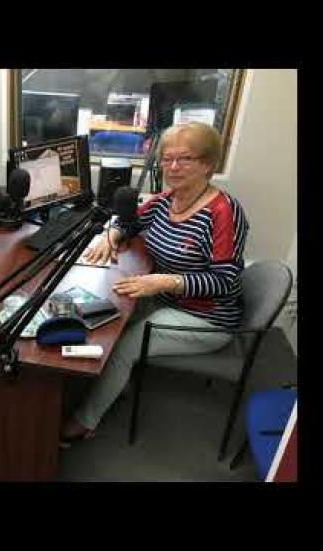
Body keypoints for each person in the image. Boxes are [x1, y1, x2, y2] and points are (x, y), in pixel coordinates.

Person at [60, 121, 249, 446]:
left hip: (208, 317)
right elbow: (130, 221)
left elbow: (225, 279)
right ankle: (93, 380)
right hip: (165, 298)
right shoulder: (167, 198)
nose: (173, 167)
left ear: (207, 164)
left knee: (125, 344)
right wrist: (112, 236)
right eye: (167, 158)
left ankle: (84, 421)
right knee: (104, 311)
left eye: (185, 158)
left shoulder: (224, 213)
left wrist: (165, 282)